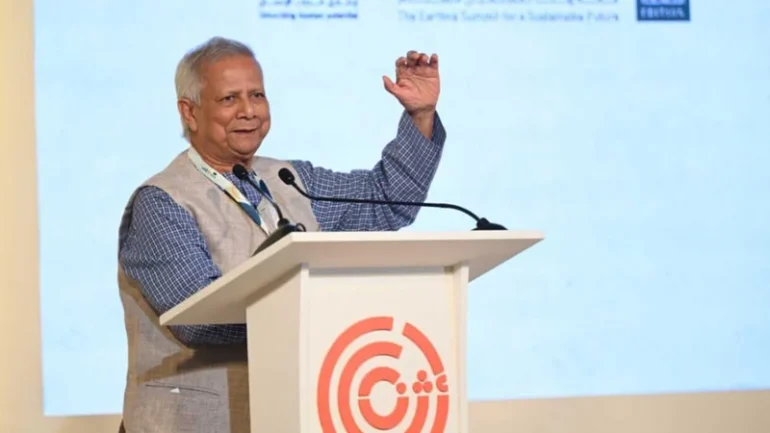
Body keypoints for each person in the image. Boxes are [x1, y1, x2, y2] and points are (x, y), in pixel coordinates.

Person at [116, 36, 446, 433]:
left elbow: (388, 199)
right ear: (190, 112)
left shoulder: (290, 179)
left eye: (257, 95)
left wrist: (421, 115)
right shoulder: (162, 201)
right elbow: (201, 320)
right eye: (229, 99)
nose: (249, 111)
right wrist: (331, 311)